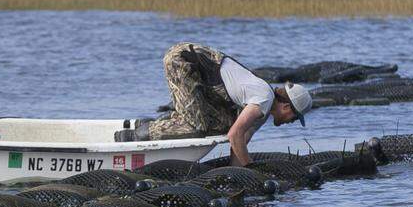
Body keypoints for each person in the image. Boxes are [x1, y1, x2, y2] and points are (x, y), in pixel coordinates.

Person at [120, 42, 312, 166]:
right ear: (286, 107)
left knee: (221, 124)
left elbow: (238, 142)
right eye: (295, 118)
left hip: (199, 70)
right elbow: (234, 135)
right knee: (196, 128)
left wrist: (240, 176)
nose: (292, 122)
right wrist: (252, 172)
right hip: (184, 60)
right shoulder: (263, 99)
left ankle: (163, 123)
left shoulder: (260, 112)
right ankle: (135, 133)